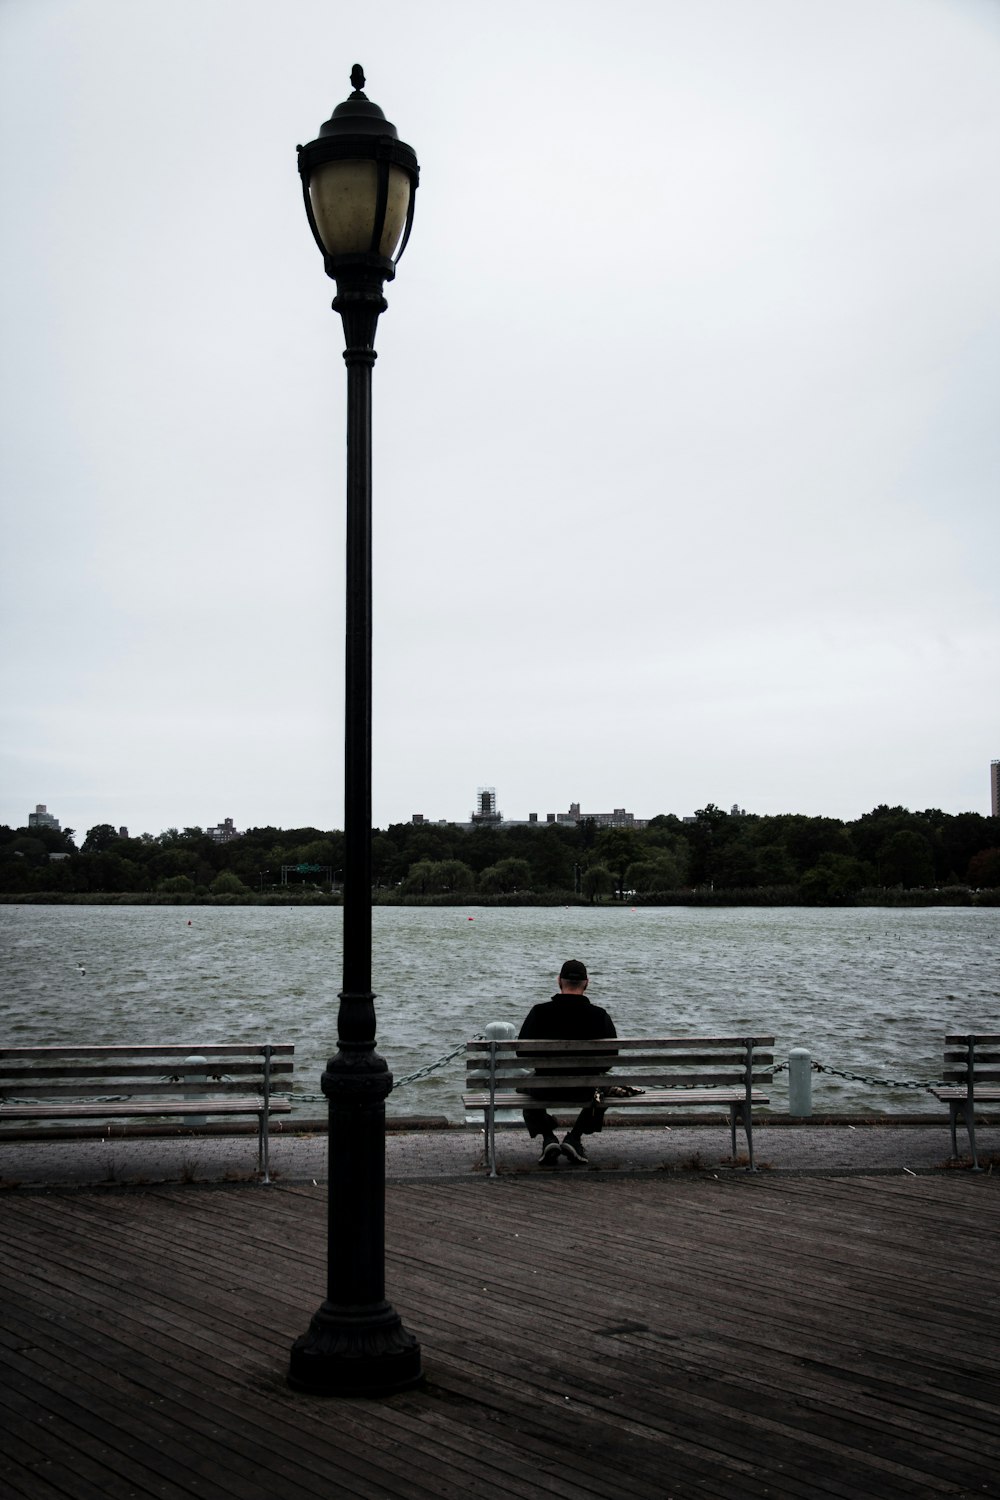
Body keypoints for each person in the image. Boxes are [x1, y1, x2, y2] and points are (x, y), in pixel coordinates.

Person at [518, 958, 617, 1166]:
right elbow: (610, 1059)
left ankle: (548, 1136)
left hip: (544, 1088)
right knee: (607, 1085)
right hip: (585, 1090)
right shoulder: (599, 1016)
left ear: (559, 981)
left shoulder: (539, 1012)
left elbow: (521, 1053)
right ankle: (575, 1137)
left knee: (520, 1084)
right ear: (587, 983)